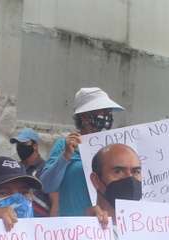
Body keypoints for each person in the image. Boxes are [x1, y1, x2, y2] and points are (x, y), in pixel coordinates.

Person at [40, 87, 123, 217]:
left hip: (107, 227)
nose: (107, 117)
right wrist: (65, 156)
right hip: (75, 229)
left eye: (109, 112)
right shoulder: (64, 145)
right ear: (84, 116)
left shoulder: (114, 149)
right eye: (103, 111)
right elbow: (47, 186)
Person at [10, 128, 51, 217]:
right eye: (18, 144)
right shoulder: (15, 169)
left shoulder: (46, 168)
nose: (20, 147)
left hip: (41, 223)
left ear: (35, 146)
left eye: (24, 144)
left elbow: (56, 201)